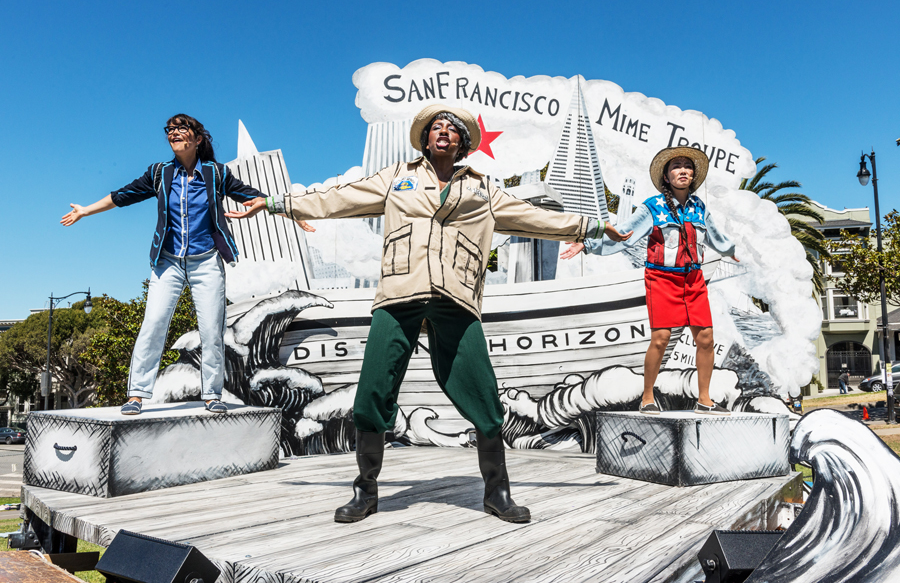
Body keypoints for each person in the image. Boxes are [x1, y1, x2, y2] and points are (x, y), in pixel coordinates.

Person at [229, 104, 631, 523]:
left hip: (455, 299)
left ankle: (498, 491)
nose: (442, 132)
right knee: (372, 394)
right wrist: (275, 203)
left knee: (484, 395)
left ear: (463, 143)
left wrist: (594, 227)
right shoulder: (396, 178)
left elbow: (535, 218)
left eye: (451, 129)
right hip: (399, 295)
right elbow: (336, 199)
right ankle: (365, 490)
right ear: (425, 140)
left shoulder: (483, 190)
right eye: (435, 127)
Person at [61, 114, 306, 415]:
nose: (174, 133)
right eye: (170, 129)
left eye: (182, 128)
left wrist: (290, 211)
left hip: (206, 262)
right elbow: (121, 196)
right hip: (168, 263)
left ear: (198, 139)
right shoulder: (159, 173)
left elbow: (251, 197)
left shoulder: (215, 173)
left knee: (211, 330)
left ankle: (212, 394)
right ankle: (137, 394)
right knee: (153, 324)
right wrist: (85, 211)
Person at [561, 146, 737, 416]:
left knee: (705, 338)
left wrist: (730, 251)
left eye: (687, 167)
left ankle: (704, 400)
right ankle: (647, 396)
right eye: (676, 166)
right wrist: (587, 245)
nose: (683, 170)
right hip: (662, 278)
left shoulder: (699, 208)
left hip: (694, 279)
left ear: (693, 176)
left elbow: (716, 236)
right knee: (661, 338)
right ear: (666, 176)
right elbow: (623, 234)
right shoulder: (652, 206)